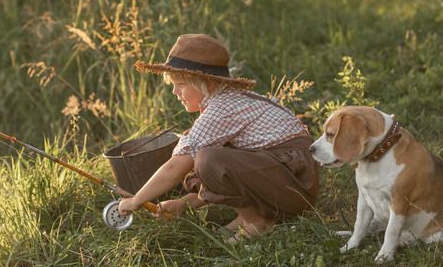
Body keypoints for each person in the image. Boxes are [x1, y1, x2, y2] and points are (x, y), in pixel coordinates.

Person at [117, 33, 319, 240]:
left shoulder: (222, 108)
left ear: (206, 83)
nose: (175, 92)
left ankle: (258, 221)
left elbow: (173, 169)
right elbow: (234, 172)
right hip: (283, 176)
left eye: (181, 84)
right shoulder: (228, 100)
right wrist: (184, 203)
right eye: (173, 85)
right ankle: (250, 215)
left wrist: (136, 201)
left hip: (295, 180)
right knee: (203, 154)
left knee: (206, 159)